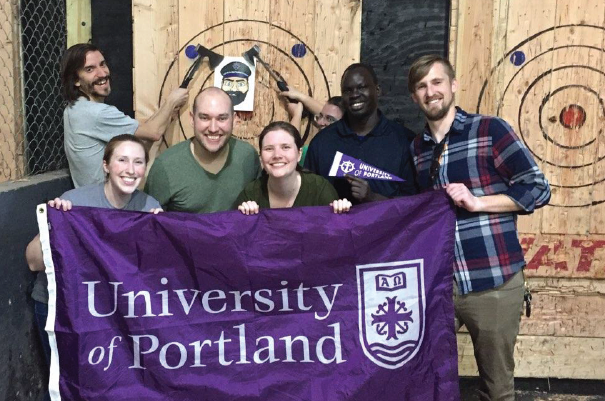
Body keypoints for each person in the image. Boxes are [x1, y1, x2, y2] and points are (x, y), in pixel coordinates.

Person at [407, 55, 551, 401]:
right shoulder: (417, 149)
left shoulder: (489, 130)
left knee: (496, 388)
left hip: (493, 281)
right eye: (422, 86)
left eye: (437, 82)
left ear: (453, 86)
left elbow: (537, 187)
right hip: (440, 286)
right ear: (415, 97)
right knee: (423, 376)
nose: (431, 92)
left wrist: (478, 201)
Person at [25, 134, 162, 391]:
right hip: (63, 308)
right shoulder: (75, 202)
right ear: (106, 165)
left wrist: (161, 238)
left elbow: (155, 275)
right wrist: (55, 227)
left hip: (112, 312)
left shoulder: (149, 208)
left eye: (138, 162)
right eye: (122, 160)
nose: (131, 170)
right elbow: (33, 262)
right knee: (66, 384)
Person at [60, 43, 189, 187]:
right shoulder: (97, 113)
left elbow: (144, 132)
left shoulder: (74, 108)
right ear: (76, 80)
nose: (102, 73)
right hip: (108, 204)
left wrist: (166, 113)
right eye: (90, 69)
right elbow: (153, 133)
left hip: (92, 201)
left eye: (102, 64)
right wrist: (172, 101)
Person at [303, 63, 417, 203]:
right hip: (335, 225)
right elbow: (308, 200)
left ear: (378, 90)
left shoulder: (404, 140)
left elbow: (413, 206)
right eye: (347, 91)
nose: (355, 95)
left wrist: (372, 198)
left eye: (361, 87)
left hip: (388, 225)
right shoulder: (322, 143)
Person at [144, 87, 261, 213]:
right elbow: (149, 225)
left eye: (222, 118)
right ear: (192, 119)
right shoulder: (165, 166)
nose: (213, 128)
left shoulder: (248, 156)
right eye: (204, 118)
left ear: (234, 120)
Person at [235, 121, 351, 214]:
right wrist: (244, 218)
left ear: (299, 154)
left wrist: (341, 211)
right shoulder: (251, 194)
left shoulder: (319, 189)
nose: (277, 155)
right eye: (269, 149)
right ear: (261, 156)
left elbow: (336, 236)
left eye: (285, 147)